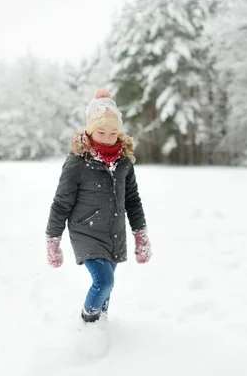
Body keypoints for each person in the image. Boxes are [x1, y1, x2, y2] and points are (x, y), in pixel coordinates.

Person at [45, 88, 152, 323]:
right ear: (91, 131)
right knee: (104, 282)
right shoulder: (77, 162)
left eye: (113, 132)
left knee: (107, 287)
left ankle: (101, 325)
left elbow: (133, 201)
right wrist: (53, 240)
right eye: (101, 131)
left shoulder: (124, 163)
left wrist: (140, 235)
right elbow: (61, 202)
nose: (107, 137)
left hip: (114, 232)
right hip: (86, 231)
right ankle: (88, 322)